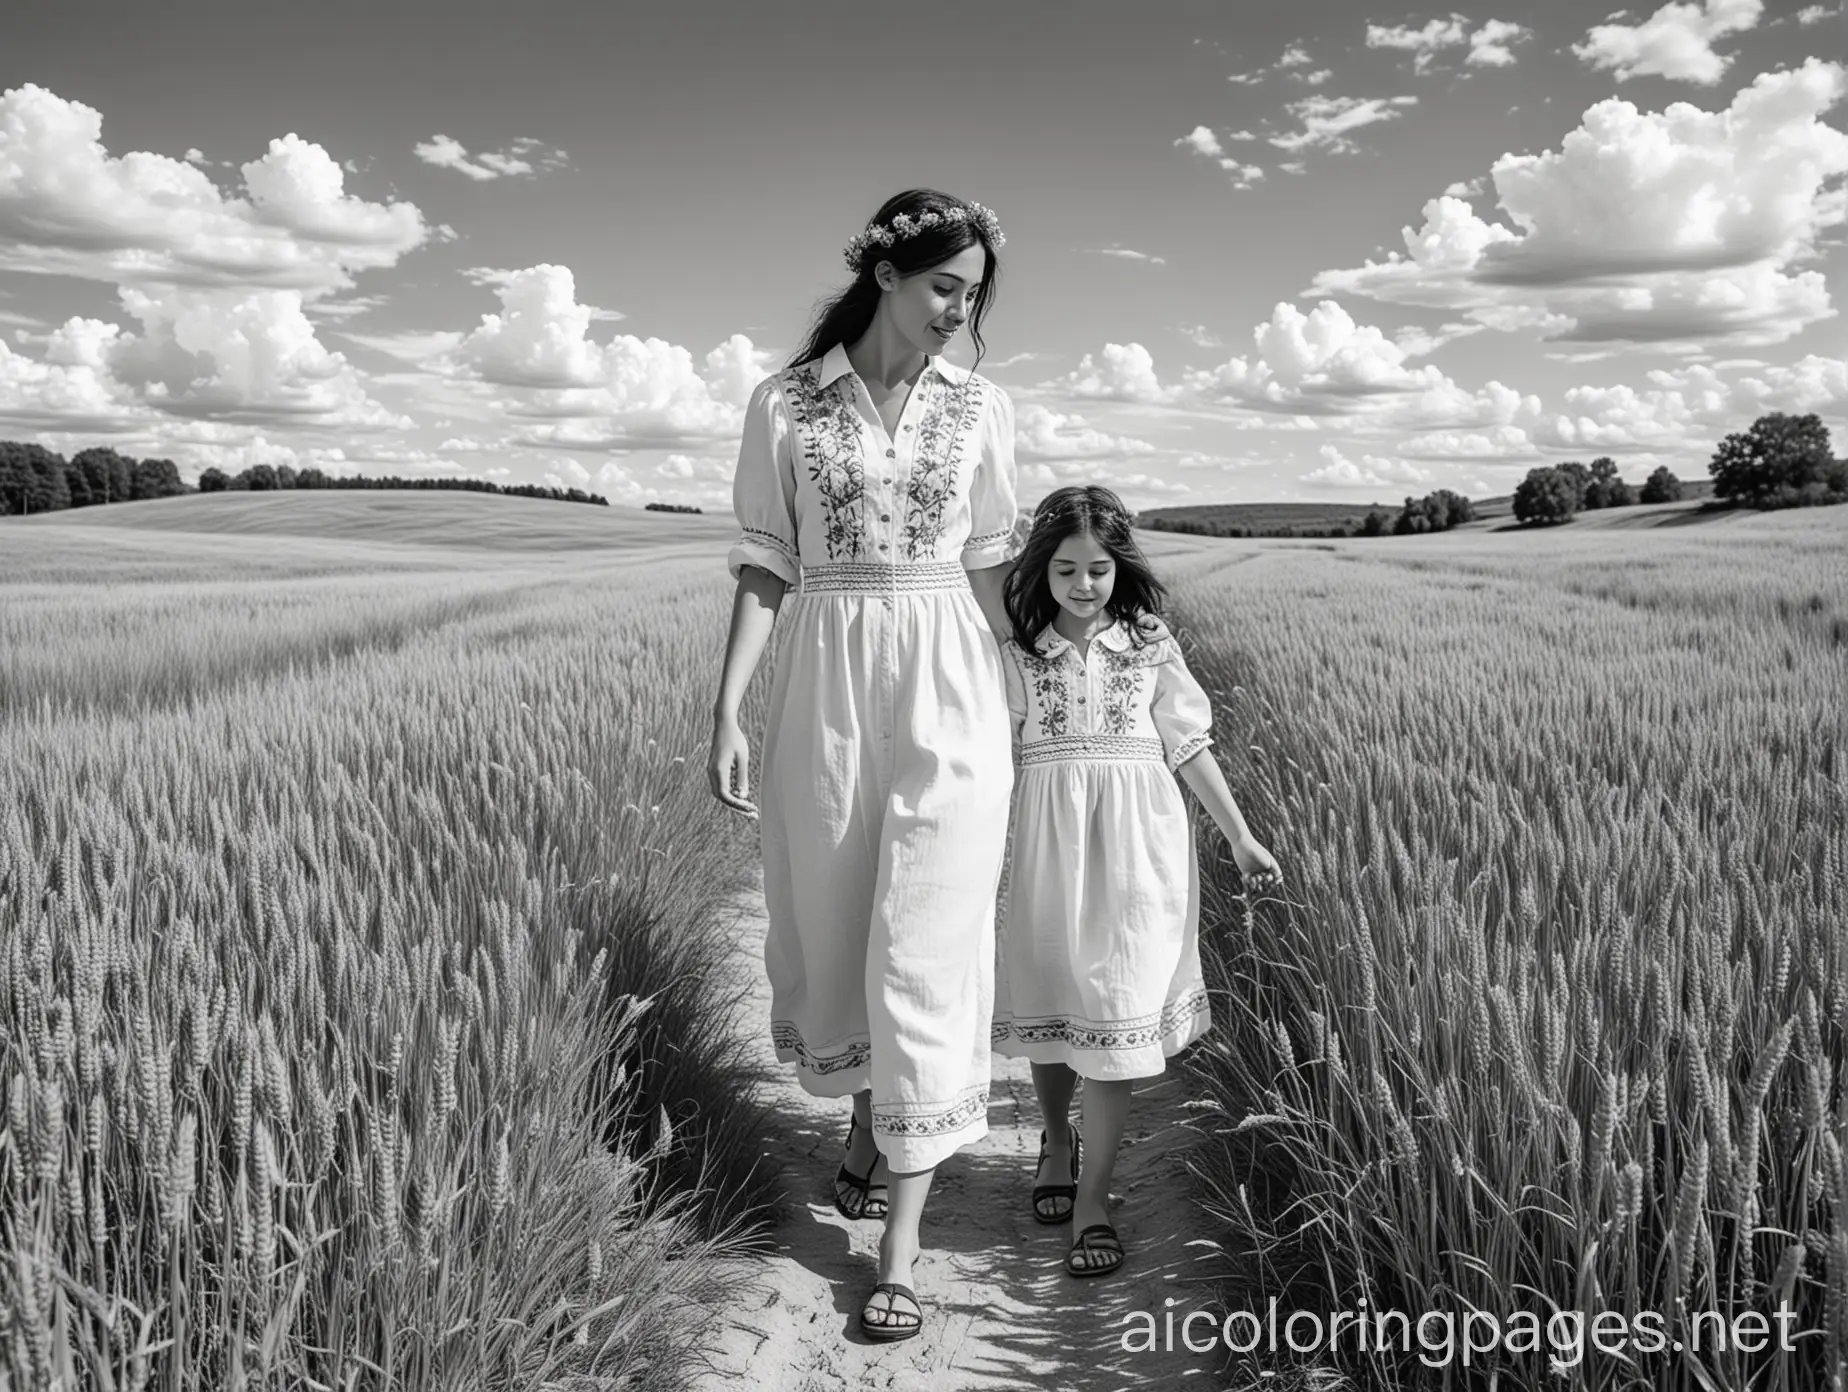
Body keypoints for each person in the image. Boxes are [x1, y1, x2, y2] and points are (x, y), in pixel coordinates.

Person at [708, 189, 1018, 1341]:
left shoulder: (982, 406)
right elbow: (763, 562)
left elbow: (990, 563)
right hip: (827, 681)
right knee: (834, 924)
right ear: (887, 273)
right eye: (946, 286)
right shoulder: (786, 403)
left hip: (950, 679)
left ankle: (898, 1243)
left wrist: (1035, 686)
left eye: (973, 295)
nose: (959, 312)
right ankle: (864, 1119)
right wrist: (729, 707)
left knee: (931, 937)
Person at [991, 484, 1282, 1279]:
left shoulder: (1153, 649)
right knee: (1052, 1009)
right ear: (1039, 573)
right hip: (1047, 846)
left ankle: (1093, 1198)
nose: (1083, 586)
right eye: (1064, 571)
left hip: (1139, 853)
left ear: (1119, 568)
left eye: (1097, 570)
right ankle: (1056, 1138)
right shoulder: (1016, 657)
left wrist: (1242, 837)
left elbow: (1189, 748)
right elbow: (992, 761)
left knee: (1117, 1023)